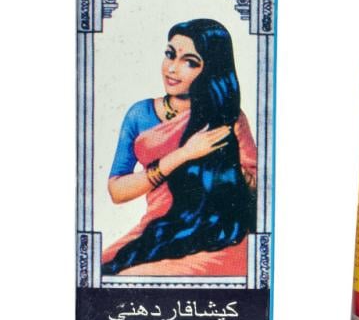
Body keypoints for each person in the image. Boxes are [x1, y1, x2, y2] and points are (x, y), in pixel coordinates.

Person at [101, 19, 257, 276]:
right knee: (103, 273)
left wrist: (228, 167)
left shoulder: (229, 117)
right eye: (170, 54)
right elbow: (117, 192)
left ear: (212, 68)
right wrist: (184, 154)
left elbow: (258, 191)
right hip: (158, 230)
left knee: (131, 277)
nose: (172, 68)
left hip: (217, 237)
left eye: (190, 62)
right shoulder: (140, 114)